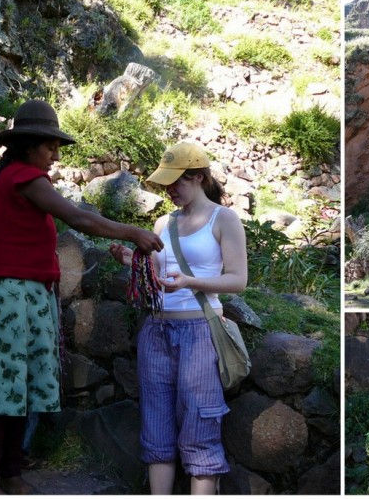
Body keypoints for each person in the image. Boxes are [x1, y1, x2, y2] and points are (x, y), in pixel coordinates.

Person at [0, 99, 163, 495]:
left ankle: (10, 473)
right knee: (1, 390)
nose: (55, 154)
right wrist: (133, 232)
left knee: (20, 388)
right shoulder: (25, 178)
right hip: (12, 297)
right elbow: (78, 217)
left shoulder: (17, 177)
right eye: (49, 146)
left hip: (24, 296)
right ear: (29, 144)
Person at [109, 141, 248, 495]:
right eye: (166, 183)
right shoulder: (163, 222)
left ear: (199, 177)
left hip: (200, 331)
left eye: (176, 182)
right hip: (157, 328)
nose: (169, 190)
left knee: (200, 421)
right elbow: (157, 270)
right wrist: (130, 259)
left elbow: (237, 280)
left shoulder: (224, 218)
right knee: (156, 421)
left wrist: (191, 281)